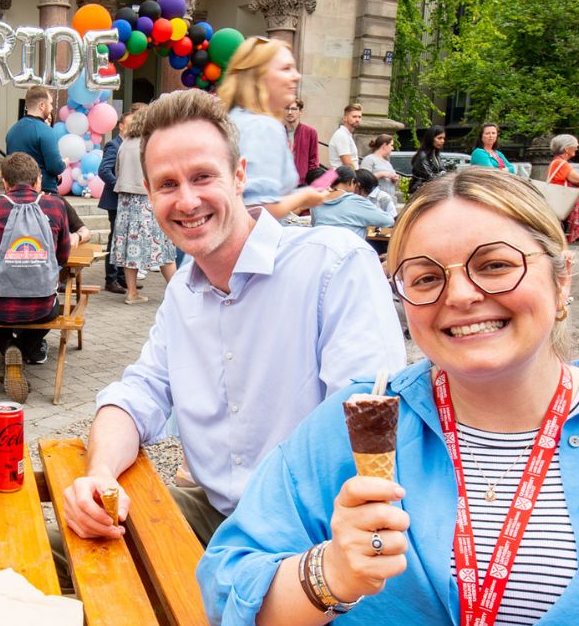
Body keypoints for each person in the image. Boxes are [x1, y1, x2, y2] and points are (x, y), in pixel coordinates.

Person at [197, 168, 579, 626]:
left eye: (496, 264)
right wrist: (328, 574)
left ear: (561, 282)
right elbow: (226, 586)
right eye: (427, 277)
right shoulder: (353, 422)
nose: (460, 295)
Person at [60, 90, 404, 545]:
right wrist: (100, 475)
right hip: (218, 515)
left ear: (239, 176)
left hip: (317, 534)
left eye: (203, 176)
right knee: (55, 552)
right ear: (148, 193)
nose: (186, 201)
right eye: (167, 184)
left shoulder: (333, 266)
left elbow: (367, 434)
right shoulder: (184, 290)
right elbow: (138, 394)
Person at [0, 153, 73, 403]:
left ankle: (8, 348)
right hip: (42, 306)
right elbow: (63, 256)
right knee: (53, 311)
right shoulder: (56, 205)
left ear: (5, 183)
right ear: (37, 181)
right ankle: (22, 349)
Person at [216, 37, 331, 219]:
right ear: (258, 77)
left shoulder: (233, 118)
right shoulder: (263, 126)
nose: (297, 76)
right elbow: (257, 210)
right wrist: (304, 196)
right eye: (286, 68)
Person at [109, 108, 177, 305]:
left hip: (126, 202)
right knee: (162, 246)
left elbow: (117, 170)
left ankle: (131, 292)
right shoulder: (150, 144)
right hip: (147, 200)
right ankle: (175, 290)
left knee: (131, 248)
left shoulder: (124, 144)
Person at [97, 104, 135, 295]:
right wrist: (121, 186)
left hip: (126, 200)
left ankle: (122, 277)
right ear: (120, 125)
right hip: (115, 199)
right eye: (130, 124)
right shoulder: (114, 144)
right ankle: (110, 279)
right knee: (115, 239)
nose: (133, 127)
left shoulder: (130, 145)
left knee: (125, 239)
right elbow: (104, 171)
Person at [5, 85, 67, 188]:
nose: (51, 108)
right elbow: (55, 167)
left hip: (15, 191)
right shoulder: (45, 131)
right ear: (42, 105)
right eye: (50, 103)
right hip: (43, 192)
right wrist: (64, 163)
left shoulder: (12, 131)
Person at [310, 167, 395, 232]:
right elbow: (388, 221)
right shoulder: (357, 201)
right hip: (350, 250)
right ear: (352, 181)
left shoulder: (317, 201)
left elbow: (314, 224)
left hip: (323, 249)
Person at [546, 134, 579, 243]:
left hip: (556, 200)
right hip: (560, 202)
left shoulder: (556, 162)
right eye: (575, 146)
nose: (577, 148)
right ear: (566, 149)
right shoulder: (561, 163)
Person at [284, 98, 321, 185]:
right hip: (282, 184)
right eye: (286, 108)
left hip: (302, 183)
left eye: (293, 109)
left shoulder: (311, 132)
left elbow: (314, 161)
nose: (289, 112)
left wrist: (312, 181)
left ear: (300, 111)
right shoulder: (277, 132)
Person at [359, 135, 400, 202]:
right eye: (391, 145)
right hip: (374, 201)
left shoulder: (387, 163)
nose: (392, 148)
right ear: (384, 145)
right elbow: (363, 179)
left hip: (389, 200)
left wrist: (395, 178)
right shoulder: (369, 159)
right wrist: (381, 174)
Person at [410, 126, 449, 191]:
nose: (442, 141)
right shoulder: (423, 156)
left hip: (430, 190)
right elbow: (429, 176)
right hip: (420, 192)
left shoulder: (436, 155)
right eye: (439, 138)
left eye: (443, 138)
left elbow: (442, 170)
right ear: (430, 139)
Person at [328, 104, 362, 169]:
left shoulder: (347, 134)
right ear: (345, 118)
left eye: (359, 117)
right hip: (343, 177)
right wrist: (357, 178)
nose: (357, 119)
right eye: (354, 117)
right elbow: (348, 164)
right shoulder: (342, 135)